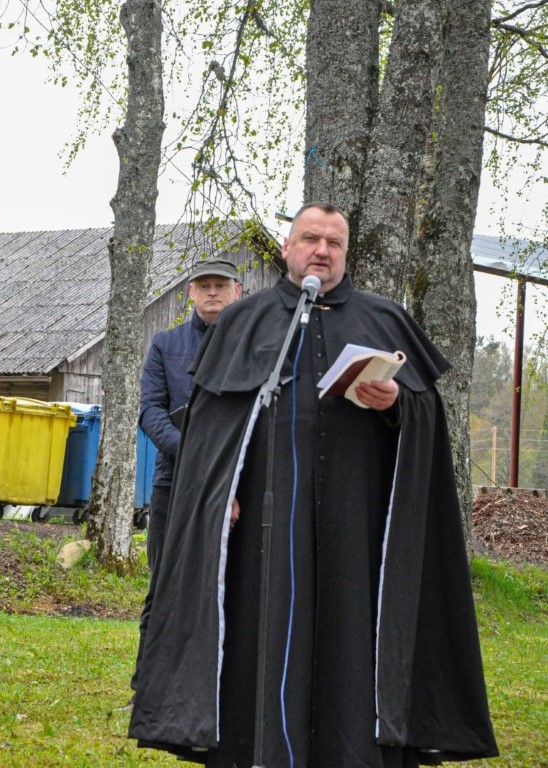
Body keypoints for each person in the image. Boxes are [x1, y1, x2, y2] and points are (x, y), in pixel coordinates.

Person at [129, 203, 498, 766]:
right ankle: (256, 748)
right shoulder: (242, 322)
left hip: (359, 522)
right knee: (264, 630)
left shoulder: (385, 321)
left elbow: (428, 421)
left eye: (334, 243)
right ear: (287, 247)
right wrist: (219, 488)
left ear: (346, 254)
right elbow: (208, 431)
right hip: (264, 525)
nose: (321, 251)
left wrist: (398, 403)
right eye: (310, 239)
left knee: (353, 637)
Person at [129, 258, 241, 705]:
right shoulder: (166, 345)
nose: (212, 293)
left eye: (220, 285)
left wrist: (230, 473)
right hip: (174, 482)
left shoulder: (253, 344)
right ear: (189, 294)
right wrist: (193, 453)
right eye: (203, 286)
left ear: (237, 291)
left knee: (234, 585)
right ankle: (148, 690)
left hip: (239, 487)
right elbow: (150, 410)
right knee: (165, 585)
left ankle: (222, 693)